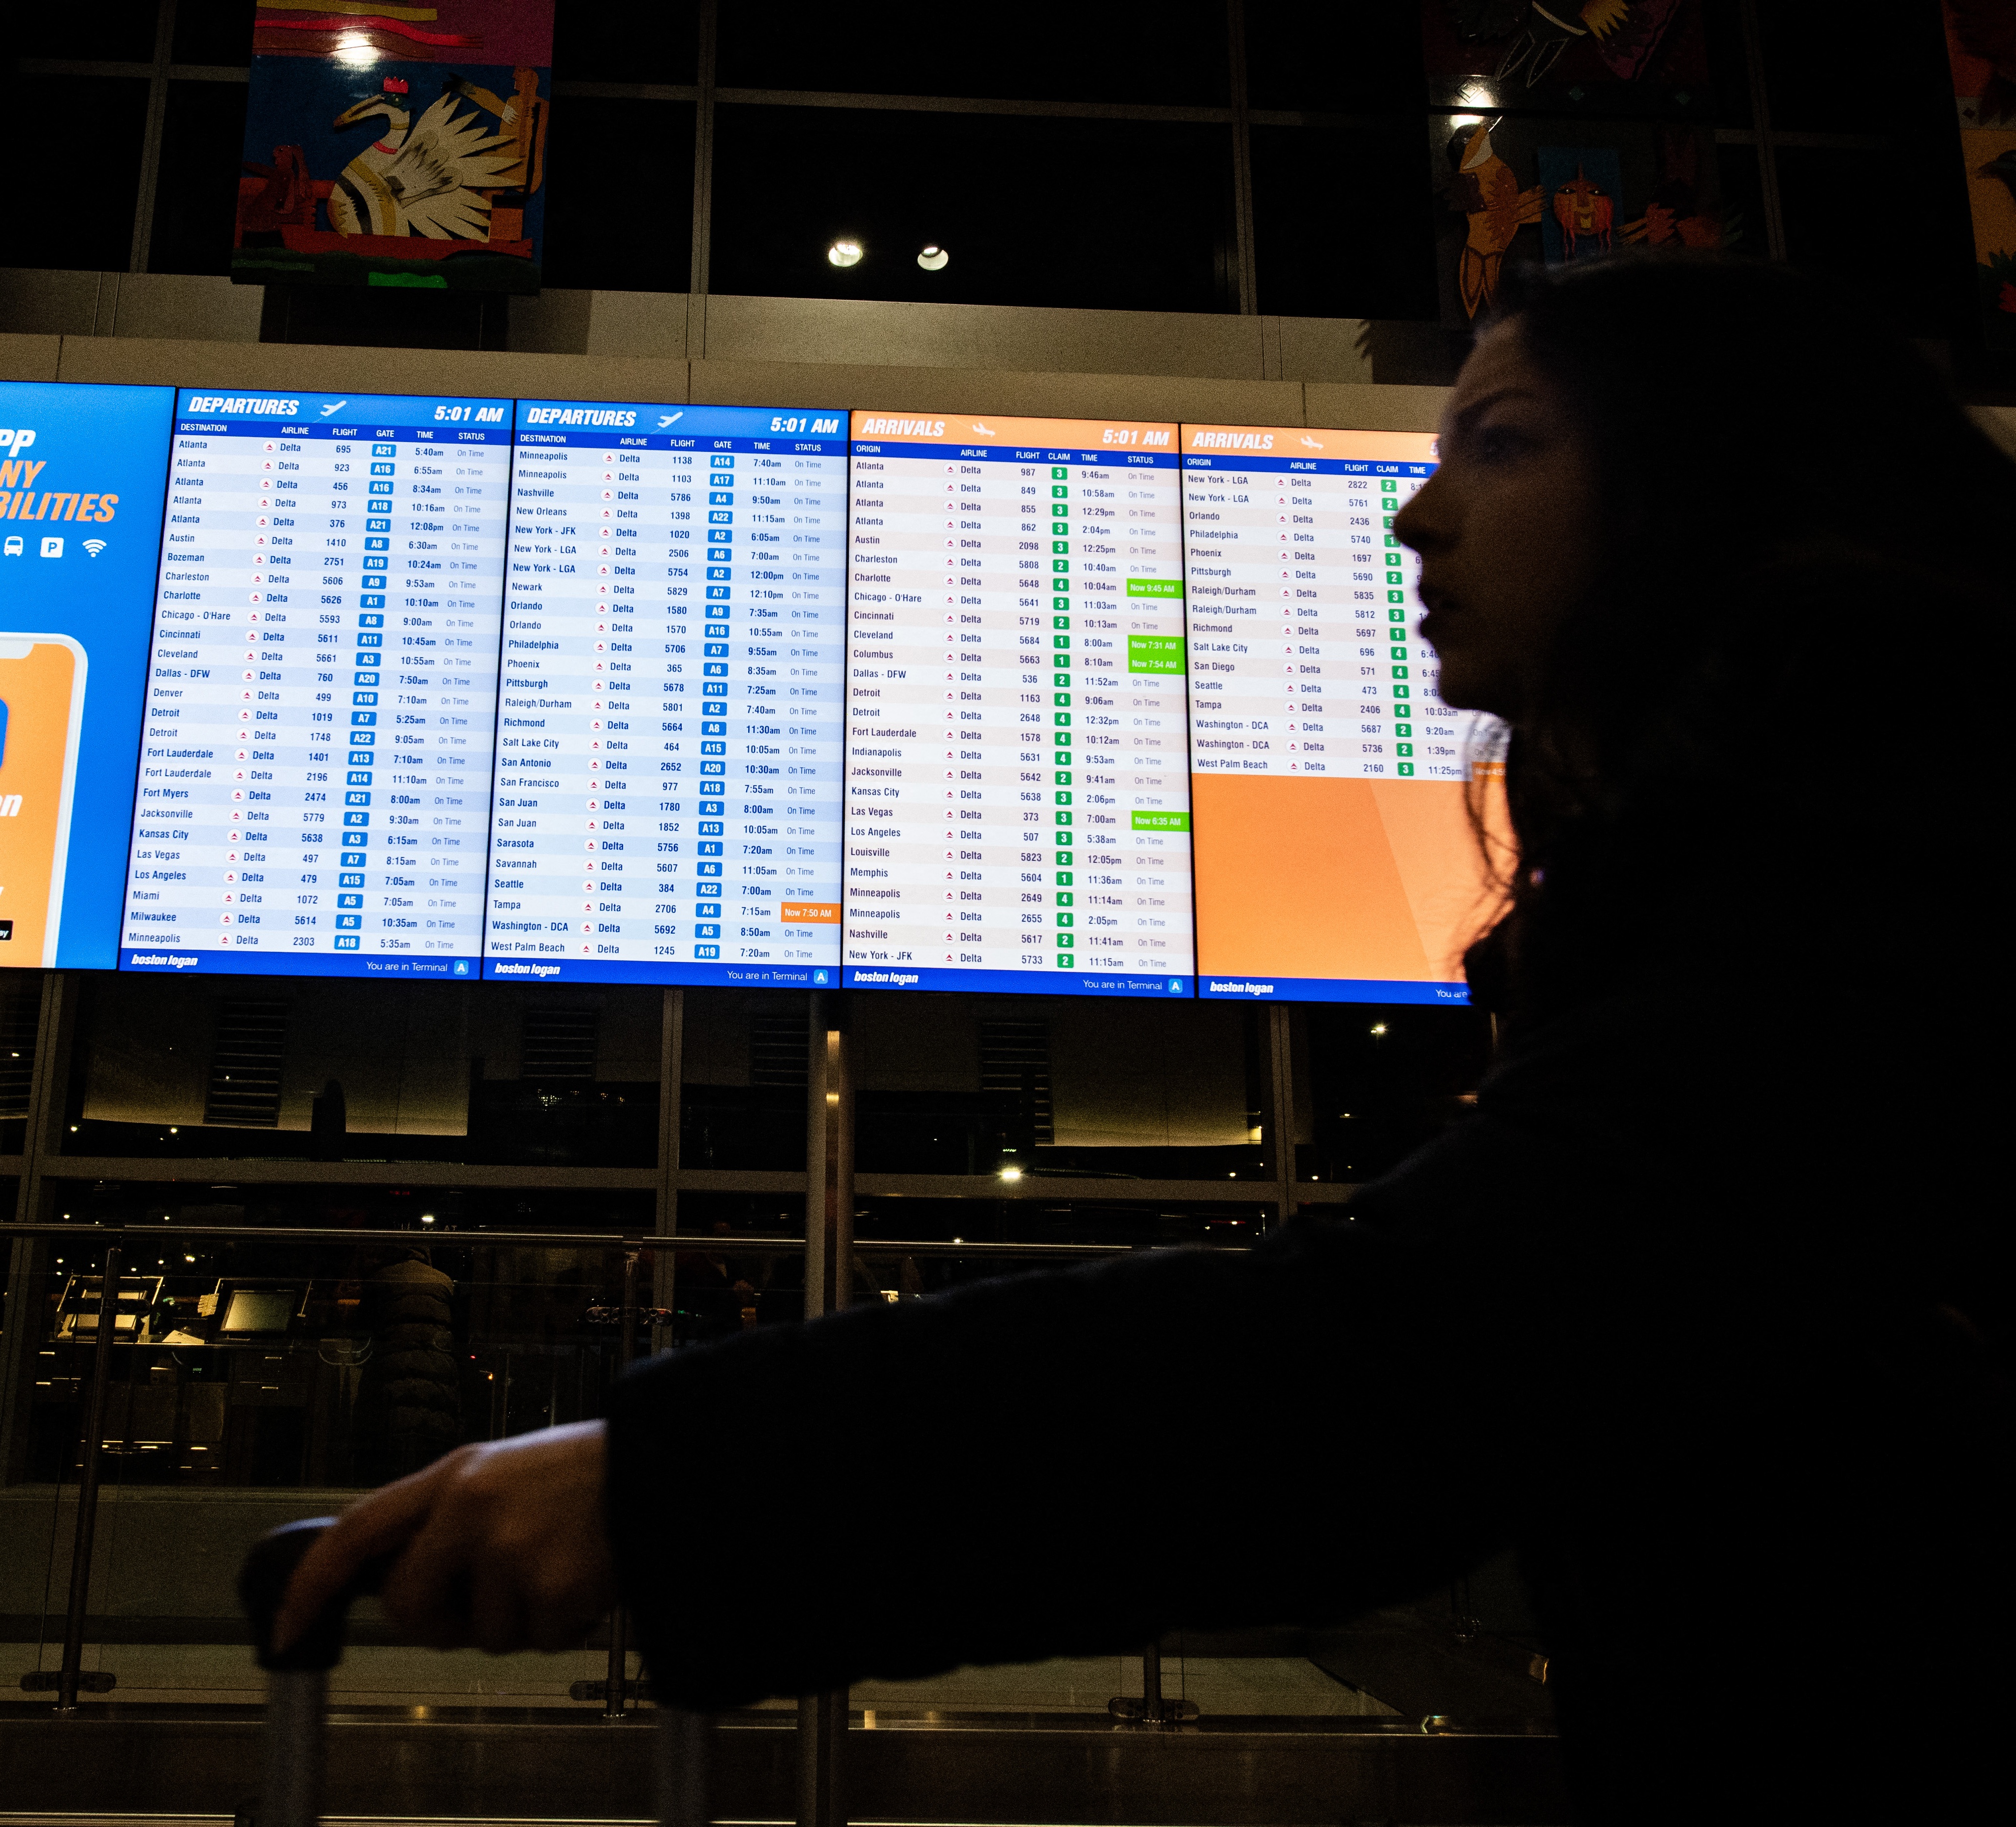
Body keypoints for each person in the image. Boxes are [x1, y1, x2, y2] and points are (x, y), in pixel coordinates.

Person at [279, 260, 2011, 1822]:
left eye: (1499, 443)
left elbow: (1386, 1375)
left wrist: (670, 1484)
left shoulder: (1881, 882)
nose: (1413, 521)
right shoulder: (1842, 841)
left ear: (1712, 478)